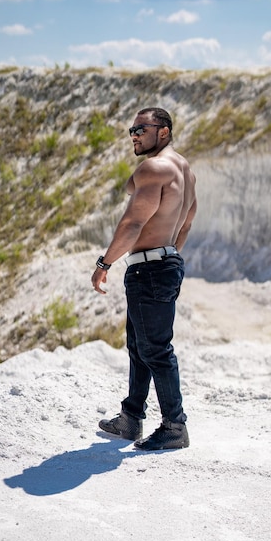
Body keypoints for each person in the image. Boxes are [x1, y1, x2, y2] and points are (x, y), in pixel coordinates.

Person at [91, 107, 197, 450]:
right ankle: (131, 418)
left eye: (141, 128)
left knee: (155, 349)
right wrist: (169, 256)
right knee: (139, 346)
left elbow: (133, 222)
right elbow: (186, 223)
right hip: (163, 263)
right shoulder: (185, 171)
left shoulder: (153, 168)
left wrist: (104, 263)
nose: (134, 135)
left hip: (149, 269)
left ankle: (174, 427)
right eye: (131, 130)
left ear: (162, 132)